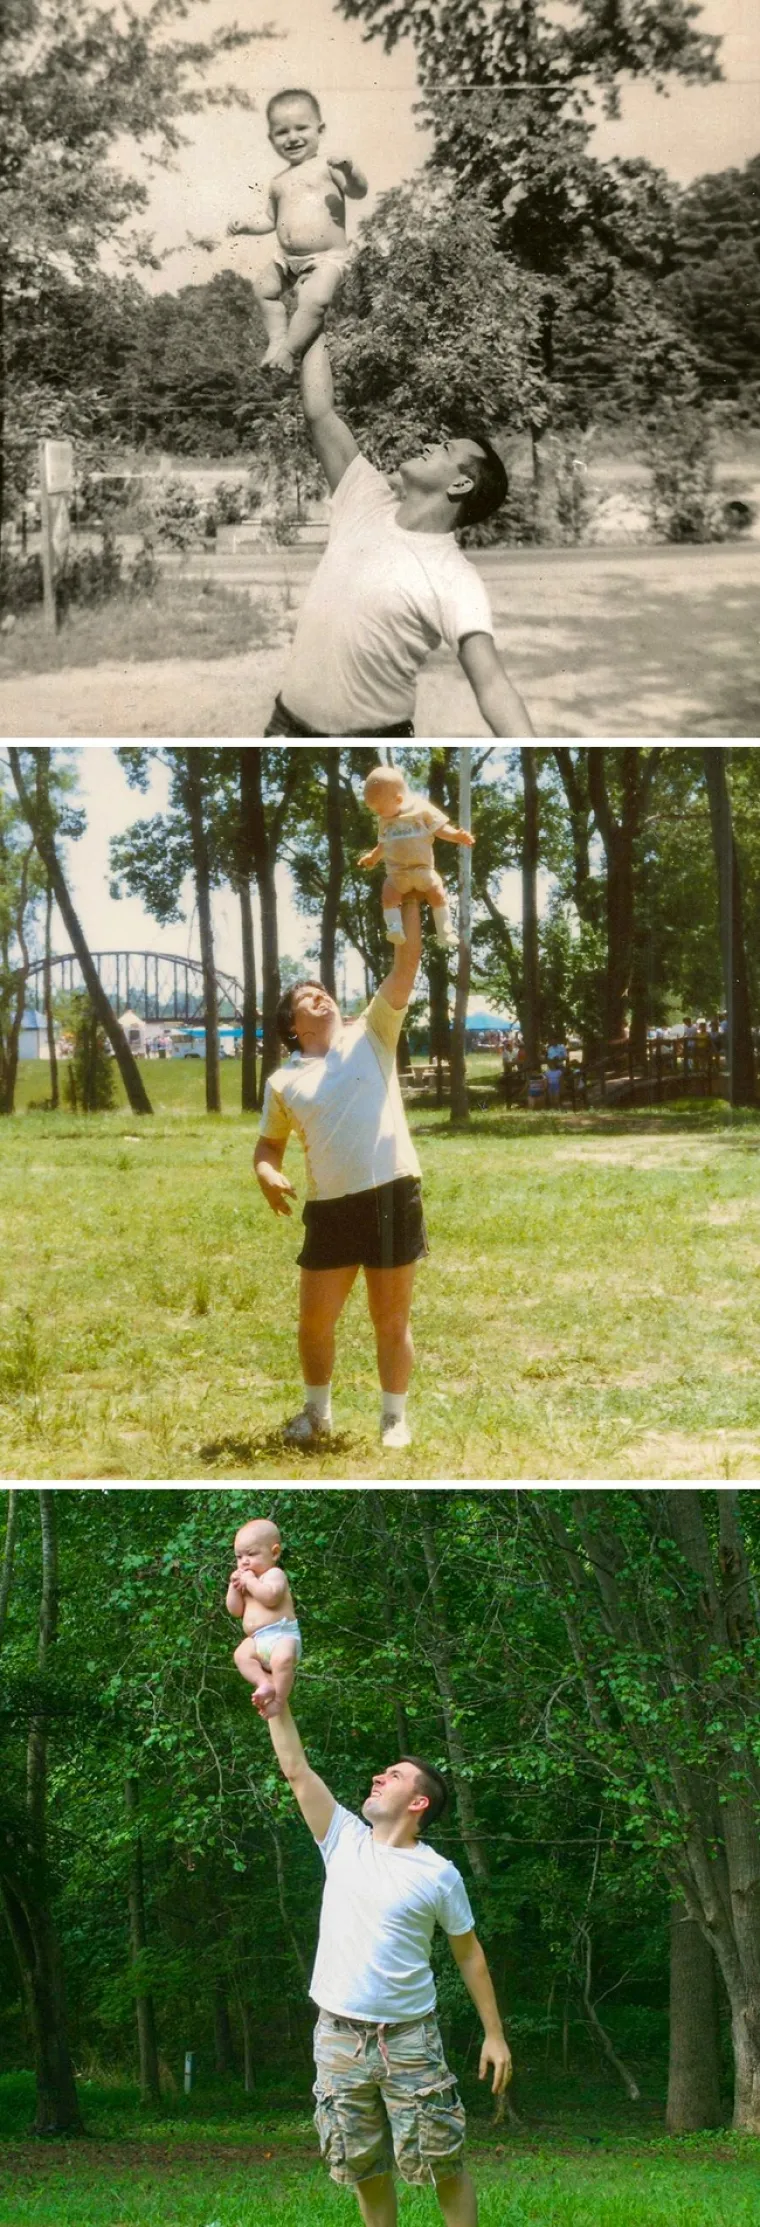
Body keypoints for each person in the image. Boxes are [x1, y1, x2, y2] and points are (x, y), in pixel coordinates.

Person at [253, 1695, 511, 2227]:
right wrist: (276, 1707)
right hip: (338, 2038)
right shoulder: (343, 1839)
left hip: (410, 2040)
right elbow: (296, 1770)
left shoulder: (438, 1874)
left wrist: (495, 2034)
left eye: (393, 1776)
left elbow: (469, 1954)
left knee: (442, 2161)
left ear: (419, 1802)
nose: (378, 1777)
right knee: (362, 2164)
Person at [264, 333, 535, 739]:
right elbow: (320, 412)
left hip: (373, 746)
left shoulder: (455, 577)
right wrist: (315, 323)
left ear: (461, 484)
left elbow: (493, 685)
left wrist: (531, 757)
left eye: (445, 449)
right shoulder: (364, 497)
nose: (430, 446)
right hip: (285, 728)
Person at [253, 897, 424, 1451]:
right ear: (293, 1026)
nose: (320, 995)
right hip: (330, 1208)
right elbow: (268, 1146)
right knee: (314, 1323)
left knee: (390, 1320)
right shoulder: (283, 1082)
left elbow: (407, 963)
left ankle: (393, 1420)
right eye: (307, 997)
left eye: (321, 989)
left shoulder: (372, 1032)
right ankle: (316, 1414)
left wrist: (408, 899)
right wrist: (266, 1173)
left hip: (393, 1192)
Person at [228, 88, 367, 376]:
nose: (292, 138)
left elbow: (358, 191)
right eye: (282, 132)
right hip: (287, 259)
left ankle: (289, 351)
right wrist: (246, 227)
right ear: (271, 139)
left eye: (301, 128)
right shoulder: (278, 181)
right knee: (263, 290)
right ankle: (277, 338)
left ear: (320, 129)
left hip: (327, 258)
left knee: (315, 300)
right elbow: (270, 219)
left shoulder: (328, 167)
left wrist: (350, 169)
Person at [359, 762, 474, 948]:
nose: (379, 815)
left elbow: (439, 828)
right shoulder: (384, 821)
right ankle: (394, 928)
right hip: (397, 874)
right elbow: (383, 845)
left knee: (437, 892)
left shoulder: (421, 809)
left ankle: (445, 931)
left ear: (398, 799)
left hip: (423, 870)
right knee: (388, 894)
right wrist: (372, 857)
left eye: (380, 810)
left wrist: (456, 836)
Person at [225, 1516, 302, 1718]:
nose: (244, 1561)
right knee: (241, 1655)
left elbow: (270, 1598)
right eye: (239, 1557)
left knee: (282, 1660)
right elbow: (235, 1611)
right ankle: (264, 1683)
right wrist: (233, 1587)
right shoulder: (247, 1581)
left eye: (251, 1554)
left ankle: (279, 1701)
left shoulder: (274, 1574)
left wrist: (250, 1582)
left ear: (274, 1553)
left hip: (282, 1636)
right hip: (258, 1640)